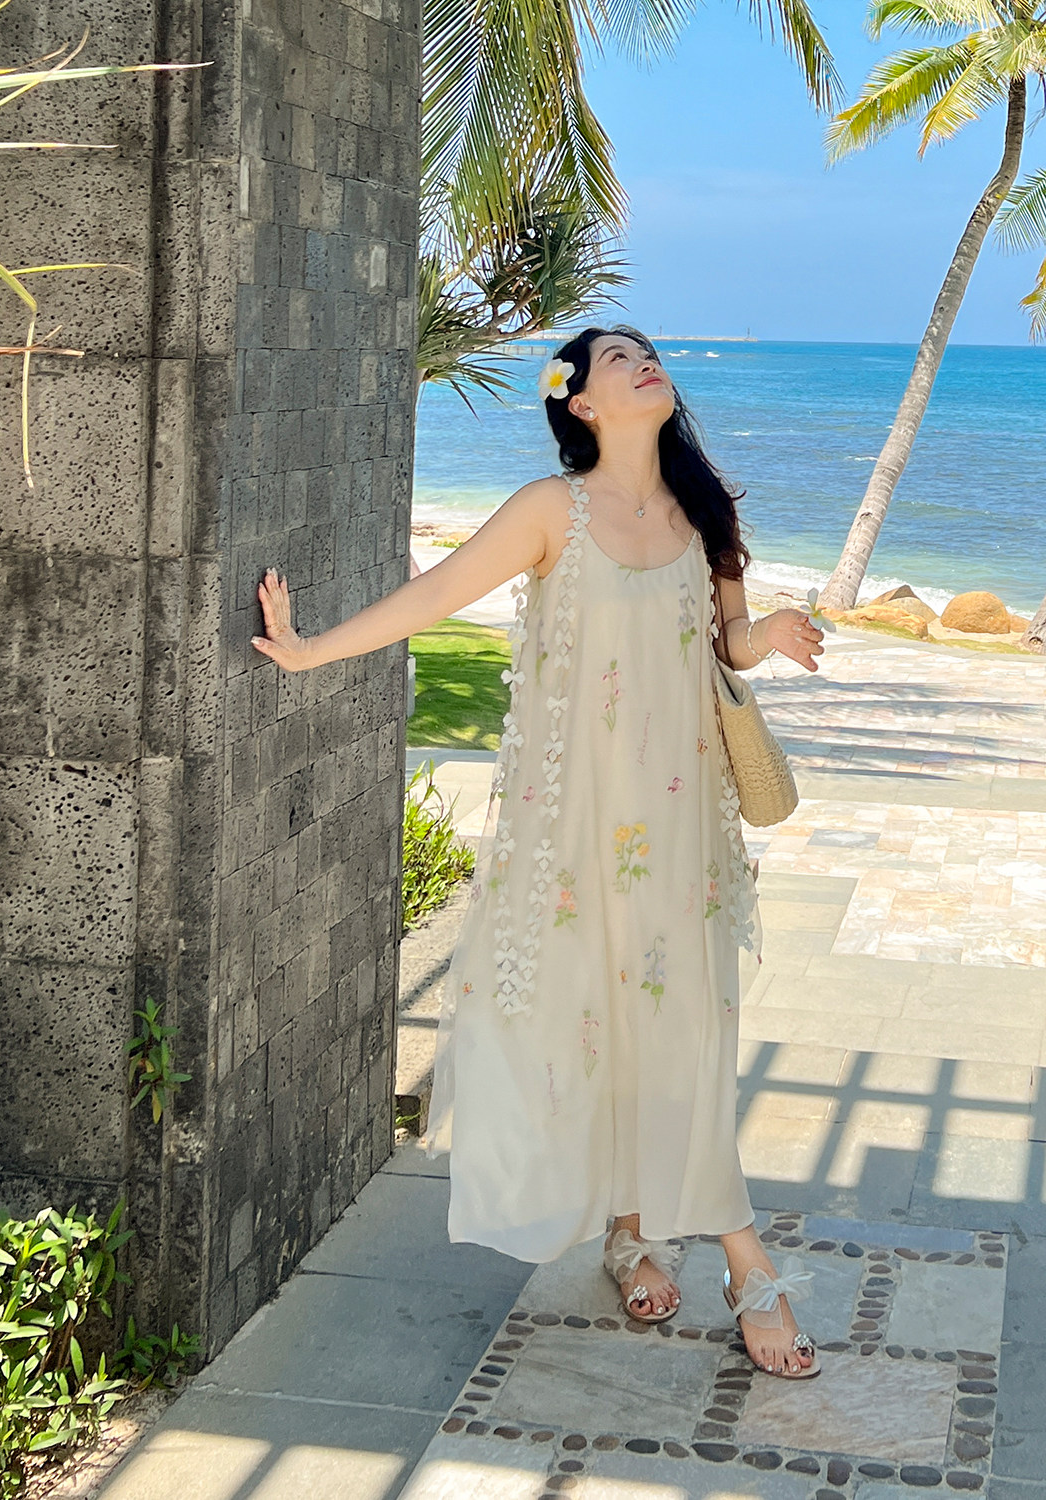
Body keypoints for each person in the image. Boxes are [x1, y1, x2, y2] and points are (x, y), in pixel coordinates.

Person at [252, 326, 827, 1378]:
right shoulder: (549, 511)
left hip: (684, 826)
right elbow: (439, 595)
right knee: (601, 1015)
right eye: (617, 357)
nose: (644, 360)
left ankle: (672, 1237)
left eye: (647, 351)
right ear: (582, 404)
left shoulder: (704, 511)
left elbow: (723, 641)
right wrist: (311, 650)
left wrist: (770, 633)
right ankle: (706, 1251)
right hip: (578, 830)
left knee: (688, 1030)